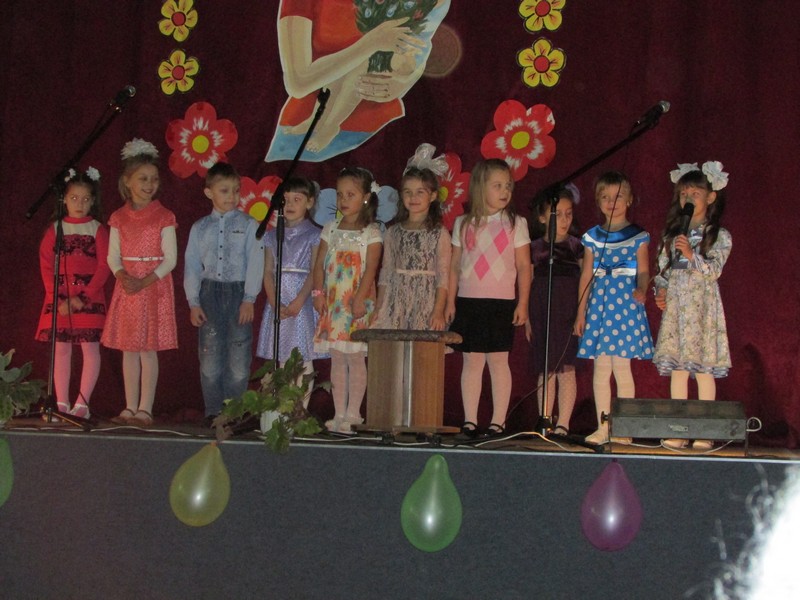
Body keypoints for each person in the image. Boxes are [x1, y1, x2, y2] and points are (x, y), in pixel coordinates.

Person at [266, 0, 450, 161]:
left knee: (360, 70)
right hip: (302, 131)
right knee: (344, 69)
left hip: (382, 128)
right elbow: (297, 82)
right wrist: (370, 43)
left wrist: (405, 80)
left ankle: (330, 125)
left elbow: (421, 44)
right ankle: (320, 121)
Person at [445, 158, 531, 438]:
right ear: (480, 187)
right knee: (471, 362)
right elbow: (454, 266)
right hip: (469, 301)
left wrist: (523, 303)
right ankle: (470, 421)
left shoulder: (516, 223)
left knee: (498, 361)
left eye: (508, 186)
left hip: (501, 303)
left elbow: (523, 266)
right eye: (498, 185)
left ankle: (498, 422)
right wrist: (450, 301)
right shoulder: (462, 223)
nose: (505, 191)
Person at [653, 161, 731, 450]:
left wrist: (691, 254)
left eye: (695, 193)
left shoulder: (718, 235)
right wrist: (660, 291)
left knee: (703, 369)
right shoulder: (671, 235)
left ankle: (704, 431)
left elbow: (714, 270)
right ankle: (679, 429)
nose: (688, 198)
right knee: (678, 369)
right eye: (684, 193)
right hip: (677, 309)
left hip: (702, 310)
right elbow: (663, 270)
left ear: (710, 197)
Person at [102, 139, 178, 427]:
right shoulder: (118, 217)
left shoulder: (164, 216)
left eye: (154, 179)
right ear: (127, 181)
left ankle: (145, 408)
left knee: (148, 348)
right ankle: (129, 406)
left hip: (153, 287)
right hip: (128, 287)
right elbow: (112, 257)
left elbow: (171, 259)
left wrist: (144, 281)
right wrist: (123, 276)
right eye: (143, 179)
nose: (149, 184)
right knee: (129, 348)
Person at [574, 171, 654, 445]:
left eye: (618, 196)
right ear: (598, 202)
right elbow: (586, 276)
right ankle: (603, 426)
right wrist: (580, 312)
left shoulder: (637, 236)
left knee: (621, 367)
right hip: (600, 306)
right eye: (605, 197)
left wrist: (642, 289)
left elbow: (644, 271)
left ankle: (623, 427)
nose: (612, 202)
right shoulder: (592, 237)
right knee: (601, 368)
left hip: (625, 306)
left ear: (629, 200)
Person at [184, 162, 265, 427]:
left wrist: (249, 298)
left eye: (236, 190)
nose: (232, 196)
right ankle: (213, 410)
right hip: (209, 293)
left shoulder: (249, 225)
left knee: (239, 357)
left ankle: (234, 410)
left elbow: (256, 262)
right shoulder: (200, 227)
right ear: (209, 192)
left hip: (238, 292)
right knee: (209, 355)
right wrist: (193, 302)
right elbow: (192, 265)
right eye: (224, 190)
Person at [35, 167, 110, 418]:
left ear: (93, 201)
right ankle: (61, 403)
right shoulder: (55, 229)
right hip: (60, 302)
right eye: (74, 198)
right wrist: (58, 298)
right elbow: (47, 265)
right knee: (61, 349)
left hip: (88, 301)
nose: (80, 204)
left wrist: (83, 297)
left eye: (86, 199)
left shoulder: (98, 229)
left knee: (90, 349)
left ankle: (82, 404)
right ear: (64, 200)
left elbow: (104, 266)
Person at [312, 167, 382, 433]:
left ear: (365, 197)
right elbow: (319, 265)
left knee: (355, 358)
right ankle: (339, 412)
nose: (343, 200)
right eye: (340, 194)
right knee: (337, 359)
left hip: (356, 305)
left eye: (350, 194)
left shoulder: (371, 232)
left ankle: (354, 414)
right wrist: (318, 294)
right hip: (333, 305)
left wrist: (360, 300)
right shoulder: (330, 229)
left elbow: (371, 270)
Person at [256, 176, 323, 410]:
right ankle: (280, 411)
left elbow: (315, 271)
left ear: (309, 202)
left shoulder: (315, 234)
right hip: (278, 300)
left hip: (301, 302)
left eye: (297, 199)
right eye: (285, 200)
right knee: (281, 356)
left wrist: (299, 301)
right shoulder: (272, 235)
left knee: (302, 357)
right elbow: (267, 271)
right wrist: (274, 302)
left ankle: (299, 411)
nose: (291, 205)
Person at [372, 147, 451, 330]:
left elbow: (443, 275)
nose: (413, 197)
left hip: (425, 304)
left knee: (421, 346)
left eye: (420, 192)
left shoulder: (439, 233)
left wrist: (438, 310)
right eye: (408, 192)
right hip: (396, 303)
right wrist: (379, 307)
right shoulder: (392, 233)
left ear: (433, 195)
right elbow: (386, 272)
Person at [525, 186, 582, 435]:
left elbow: (585, 281)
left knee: (566, 366)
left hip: (567, 309)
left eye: (569, 214)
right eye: (557, 214)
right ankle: (545, 420)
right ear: (541, 217)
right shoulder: (534, 248)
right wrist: (528, 318)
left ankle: (563, 424)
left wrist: (581, 314)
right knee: (546, 366)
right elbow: (528, 282)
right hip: (542, 309)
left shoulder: (576, 246)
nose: (564, 220)